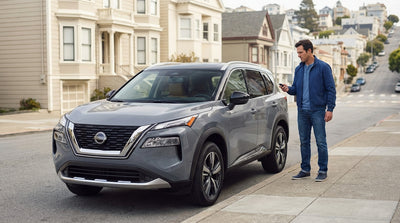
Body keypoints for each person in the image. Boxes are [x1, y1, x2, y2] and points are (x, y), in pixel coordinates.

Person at [280, 39, 336, 182]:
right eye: (297, 52)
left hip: (317, 110)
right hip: (302, 111)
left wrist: (330, 109)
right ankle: (305, 169)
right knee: (304, 142)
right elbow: (296, 89)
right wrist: (288, 89)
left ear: (309, 51)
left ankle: (323, 170)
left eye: (301, 52)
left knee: (320, 142)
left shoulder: (323, 67)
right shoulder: (299, 69)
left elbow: (331, 89)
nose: (298, 55)